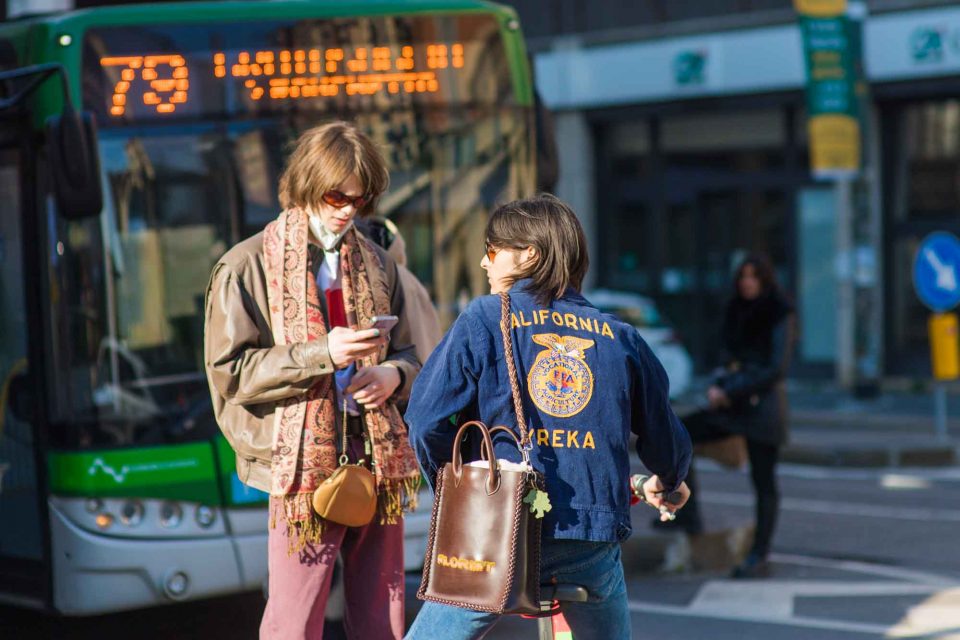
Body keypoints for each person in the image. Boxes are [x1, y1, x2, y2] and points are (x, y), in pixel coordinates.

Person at [403, 194, 692, 640]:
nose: (485, 262)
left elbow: (424, 420)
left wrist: (460, 489)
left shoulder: (484, 317)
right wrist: (670, 480)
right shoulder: (620, 335)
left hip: (498, 528)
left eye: (492, 250)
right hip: (589, 536)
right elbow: (666, 439)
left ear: (530, 255)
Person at [203, 121, 422, 640]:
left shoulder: (378, 261)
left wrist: (392, 373)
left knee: (384, 620)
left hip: (376, 458)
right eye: (335, 195)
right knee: (294, 622)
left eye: (361, 197)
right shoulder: (245, 264)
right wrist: (321, 353)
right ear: (305, 186)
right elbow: (230, 372)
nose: (348, 208)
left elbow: (416, 354)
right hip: (298, 466)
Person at [670, 254, 795, 579]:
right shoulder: (735, 309)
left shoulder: (779, 311)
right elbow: (726, 357)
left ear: (765, 280)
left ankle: (760, 553)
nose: (747, 282)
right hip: (730, 403)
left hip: (762, 407)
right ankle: (688, 512)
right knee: (680, 435)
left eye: (754, 276)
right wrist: (720, 383)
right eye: (743, 276)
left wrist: (730, 388)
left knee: (764, 481)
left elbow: (774, 369)